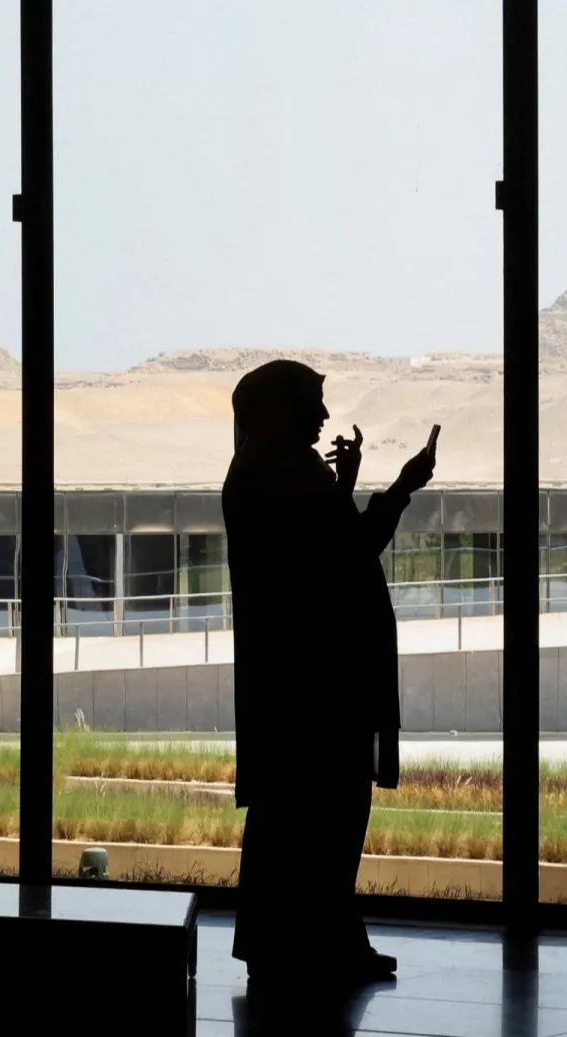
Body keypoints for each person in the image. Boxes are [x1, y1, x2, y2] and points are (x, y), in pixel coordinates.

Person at [221, 358, 436, 987]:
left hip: (306, 681)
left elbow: (320, 549)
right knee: (320, 816)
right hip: (311, 687)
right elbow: (338, 555)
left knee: (309, 819)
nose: (321, 416)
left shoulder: (278, 471)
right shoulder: (275, 473)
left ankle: (307, 943)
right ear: (277, 408)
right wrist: (395, 490)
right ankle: (316, 946)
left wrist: (351, 486)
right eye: (310, 403)